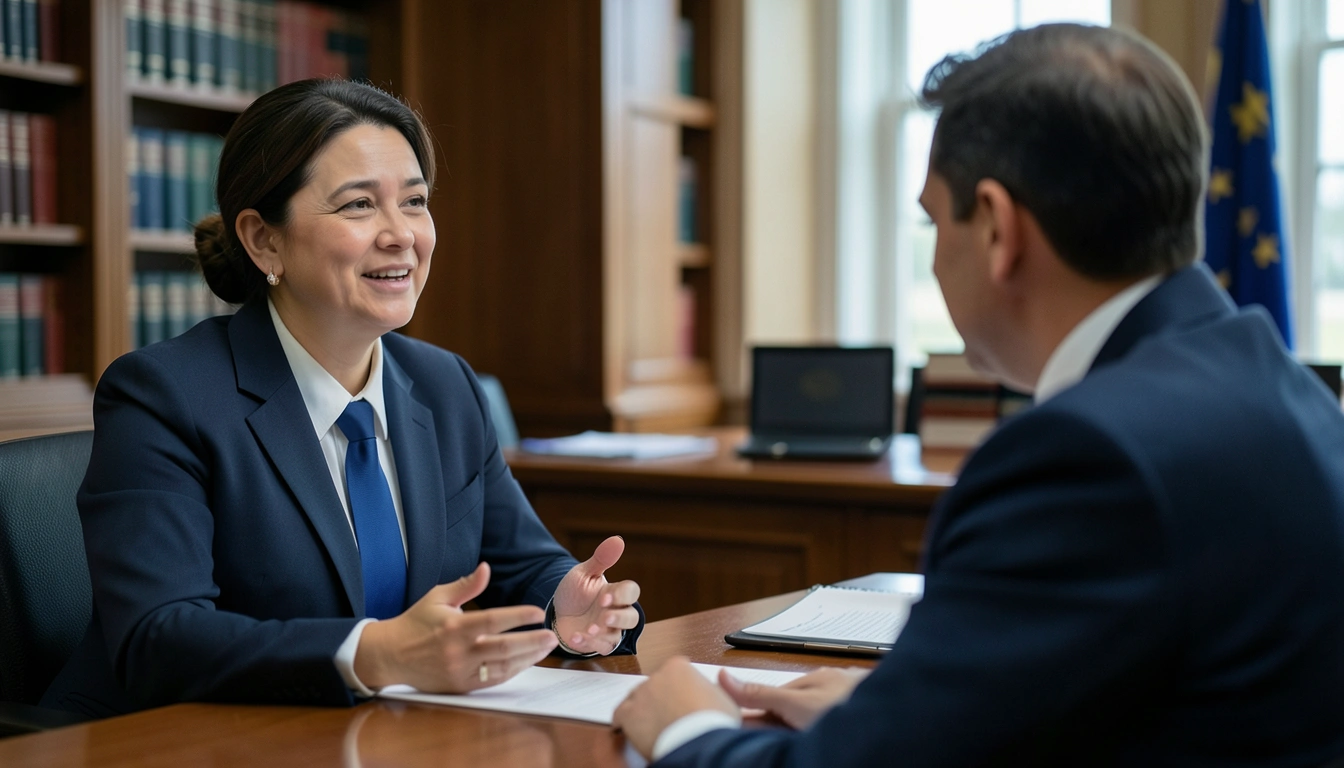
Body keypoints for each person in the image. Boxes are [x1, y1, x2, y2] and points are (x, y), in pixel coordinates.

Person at [614, 23, 1344, 766]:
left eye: (935, 219)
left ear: (997, 227)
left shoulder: (1085, 456)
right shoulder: (1288, 391)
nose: (933, 257)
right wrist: (898, 709)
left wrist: (688, 729)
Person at [42, 79, 643, 717]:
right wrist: (373, 654)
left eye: (414, 202)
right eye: (358, 205)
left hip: (382, 738)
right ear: (263, 239)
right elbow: (156, 638)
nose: (400, 235)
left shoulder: (448, 387)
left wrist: (567, 602)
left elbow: (522, 561)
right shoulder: (164, 396)